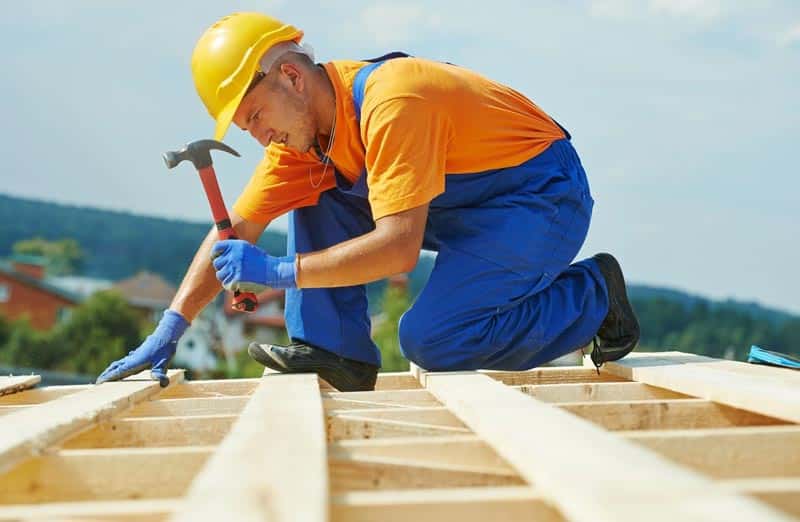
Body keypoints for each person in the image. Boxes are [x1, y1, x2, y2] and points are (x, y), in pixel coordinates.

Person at [96, 12, 640, 391]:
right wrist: (172, 324)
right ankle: (336, 352)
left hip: (539, 197)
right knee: (317, 188)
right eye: (245, 128)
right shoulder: (304, 138)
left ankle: (595, 296)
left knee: (434, 341)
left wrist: (281, 270)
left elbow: (399, 248)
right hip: (462, 205)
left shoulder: (395, 101)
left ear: (291, 77)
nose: (259, 137)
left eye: (256, 118)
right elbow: (233, 231)